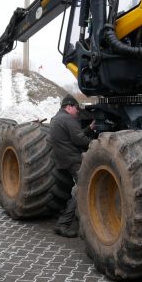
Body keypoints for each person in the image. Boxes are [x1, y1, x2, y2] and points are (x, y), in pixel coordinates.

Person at [49, 94, 95, 237]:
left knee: (73, 188)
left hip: (62, 159)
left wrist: (89, 128)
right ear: (69, 107)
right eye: (76, 108)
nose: (78, 112)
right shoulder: (69, 119)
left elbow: (73, 136)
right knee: (81, 189)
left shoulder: (56, 118)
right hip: (73, 159)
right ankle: (63, 224)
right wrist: (97, 144)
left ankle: (65, 213)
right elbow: (79, 140)